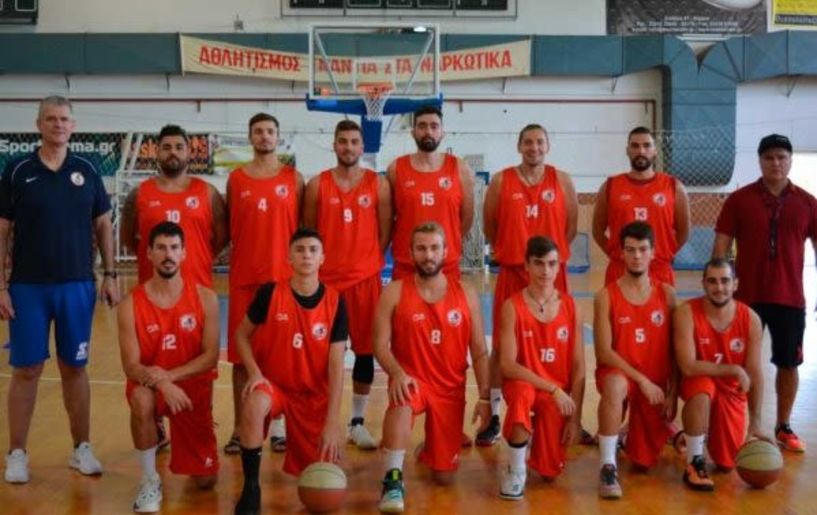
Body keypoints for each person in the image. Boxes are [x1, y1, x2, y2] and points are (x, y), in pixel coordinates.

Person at [0, 95, 119, 484]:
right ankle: (17, 453)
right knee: (27, 369)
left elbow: (103, 225)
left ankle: (81, 448)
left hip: (77, 285)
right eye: (51, 119)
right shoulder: (18, 170)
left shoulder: (87, 169)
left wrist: (111, 274)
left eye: (64, 119)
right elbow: (2, 231)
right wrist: (1, 286)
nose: (58, 125)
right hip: (27, 287)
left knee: (75, 367)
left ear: (73, 125)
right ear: (38, 125)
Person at [373, 222, 491, 513]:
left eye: (435, 248)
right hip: (411, 380)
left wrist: (486, 398)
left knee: (444, 478)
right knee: (401, 401)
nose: (428, 255)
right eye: (422, 248)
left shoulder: (466, 293)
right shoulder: (394, 292)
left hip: (449, 389)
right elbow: (379, 345)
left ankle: (430, 448)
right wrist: (397, 373)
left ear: (446, 251)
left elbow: (479, 351)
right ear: (410, 252)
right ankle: (392, 480)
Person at [713, 133, 817, 453]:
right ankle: (742, 423)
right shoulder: (739, 200)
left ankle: (783, 426)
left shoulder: (807, 203)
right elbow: (720, 247)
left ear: (790, 160)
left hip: (790, 299)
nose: (776, 163)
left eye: (782, 157)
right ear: (760, 161)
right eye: (769, 157)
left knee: (789, 363)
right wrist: (719, 290)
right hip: (747, 299)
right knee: (741, 362)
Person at [233, 228, 346, 515]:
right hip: (276, 387)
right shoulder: (269, 293)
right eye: (300, 250)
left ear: (322, 258)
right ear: (289, 257)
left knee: (322, 483)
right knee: (254, 402)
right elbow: (241, 335)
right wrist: (255, 373)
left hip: (313, 397)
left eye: (312, 250)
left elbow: (336, 366)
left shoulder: (336, 301)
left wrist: (333, 422)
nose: (306, 255)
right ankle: (251, 486)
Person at [480, 123, 578, 446]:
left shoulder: (562, 180)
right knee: (501, 347)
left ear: (547, 146)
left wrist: (548, 262)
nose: (534, 148)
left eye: (539, 142)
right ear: (519, 146)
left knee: (559, 345)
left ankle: (563, 412)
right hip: (514, 272)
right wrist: (512, 251)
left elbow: (570, 228)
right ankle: (494, 415)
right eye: (528, 142)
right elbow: (490, 226)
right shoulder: (500, 181)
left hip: (551, 274)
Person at [117, 221, 220, 512]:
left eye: (174, 248)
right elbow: (131, 366)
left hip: (190, 392)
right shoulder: (130, 304)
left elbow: (211, 357)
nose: (168, 254)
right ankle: (149, 479)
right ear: (149, 253)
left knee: (206, 481)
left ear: (184, 253)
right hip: (152, 387)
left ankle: (175, 434)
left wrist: (171, 377)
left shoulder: (206, 298)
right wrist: (163, 383)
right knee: (141, 399)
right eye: (161, 248)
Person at [303, 120, 391, 450]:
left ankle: (356, 422)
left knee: (365, 352)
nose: (349, 147)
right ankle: (318, 420)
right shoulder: (317, 185)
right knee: (318, 356)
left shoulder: (378, 184)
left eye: (354, 142)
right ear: (334, 145)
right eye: (343, 141)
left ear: (362, 146)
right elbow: (309, 231)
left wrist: (365, 261)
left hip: (365, 282)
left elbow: (385, 231)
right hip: (326, 283)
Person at [224, 113, 303, 454]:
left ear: (278, 137)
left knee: (281, 357)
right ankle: (240, 428)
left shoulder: (294, 179)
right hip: (244, 279)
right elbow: (227, 227)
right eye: (258, 131)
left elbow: (304, 230)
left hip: (283, 281)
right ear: (250, 137)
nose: (265, 136)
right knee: (240, 359)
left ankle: (280, 424)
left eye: (270, 131)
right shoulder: (235, 179)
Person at [593, 221, 678, 499]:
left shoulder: (667, 294)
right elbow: (604, 352)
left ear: (653, 252)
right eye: (630, 250)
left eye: (642, 249)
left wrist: (673, 393)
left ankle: (631, 433)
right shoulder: (606, 296)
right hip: (622, 375)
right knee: (615, 385)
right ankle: (607, 465)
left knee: (643, 463)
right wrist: (641, 380)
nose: (637, 256)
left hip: (655, 385)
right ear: (621, 253)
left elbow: (676, 350)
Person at [498, 236, 584, 500]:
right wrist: (553, 388)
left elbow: (579, 367)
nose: (545, 271)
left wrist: (575, 419)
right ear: (526, 265)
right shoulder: (512, 306)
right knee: (523, 396)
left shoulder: (571, 306)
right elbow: (508, 365)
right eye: (538, 263)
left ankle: (536, 443)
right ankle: (515, 469)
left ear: (559, 267)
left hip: (554, 396)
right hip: (523, 385)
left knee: (550, 474)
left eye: (551, 264)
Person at [673, 258, 770, 491]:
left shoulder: (751, 319)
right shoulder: (686, 312)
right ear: (703, 284)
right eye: (712, 281)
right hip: (699, 381)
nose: (719, 287)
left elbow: (755, 373)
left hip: (730, 392)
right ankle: (694, 462)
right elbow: (687, 366)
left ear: (736, 284)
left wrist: (755, 421)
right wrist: (733, 369)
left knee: (727, 464)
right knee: (702, 387)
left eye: (725, 281)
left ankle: (690, 434)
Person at [119, 124, 227, 288]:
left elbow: (223, 237)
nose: (173, 152)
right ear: (157, 152)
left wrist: (201, 255)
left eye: (179, 147)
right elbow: (127, 238)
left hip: (197, 287)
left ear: (188, 152)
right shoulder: (138, 193)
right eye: (166, 147)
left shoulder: (208, 193)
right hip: (153, 289)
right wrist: (149, 255)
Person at [592, 126, 690, 285]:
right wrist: (617, 254)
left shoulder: (673, 186)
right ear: (627, 150)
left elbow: (684, 231)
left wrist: (664, 255)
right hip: (620, 270)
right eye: (635, 146)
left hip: (659, 271)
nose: (641, 151)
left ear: (655, 150)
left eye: (646, 145)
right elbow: (597, 231)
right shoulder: (610, 186)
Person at [387, 105, 475, 281]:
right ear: (413, 132)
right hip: (407, 265)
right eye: (422, 126)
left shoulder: (460, 168)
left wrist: (449, 240)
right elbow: (387, 220)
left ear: (442, 132)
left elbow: (466, 218)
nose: (428, 131)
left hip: (446, 266)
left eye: (434, 126)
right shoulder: (396, 169)